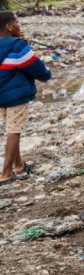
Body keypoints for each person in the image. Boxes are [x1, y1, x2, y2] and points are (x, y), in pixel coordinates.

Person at [0, 12, 51, 185]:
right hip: (16, 96)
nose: (19, 25)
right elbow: (35, 67)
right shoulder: (16, 46)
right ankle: (5, 174)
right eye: (17, 22)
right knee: (14, 132)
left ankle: (19, 165)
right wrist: (46, 74)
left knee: (12, 129)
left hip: (2, 97)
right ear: (9, 26)